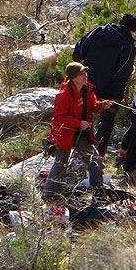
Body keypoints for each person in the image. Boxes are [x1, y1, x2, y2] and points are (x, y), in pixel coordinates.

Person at [42, 62, 112, 199]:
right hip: (65, 134)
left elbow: (92, 107)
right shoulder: (64, 95)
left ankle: (98, 191)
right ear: (74, 77)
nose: (85, 76)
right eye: (82, 74)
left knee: (95, 159)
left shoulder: (87, 90)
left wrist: (102, 105)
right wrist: (79, 123)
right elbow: (59, 118)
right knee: (61, 164)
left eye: (85, 72)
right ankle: (47, 195)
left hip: (81, 133)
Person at [72, 13, 136, 158]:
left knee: (81, 119)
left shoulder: (99, 31)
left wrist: (78, 74)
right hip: (107, 92)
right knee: (106, 124)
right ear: (133, 30)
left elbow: (78, 51)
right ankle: (95, 159)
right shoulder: (128, 47)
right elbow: (121, 74)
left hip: (83, 84)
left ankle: (75, 156)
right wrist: (116, 98)